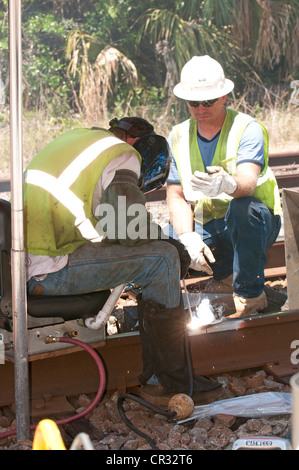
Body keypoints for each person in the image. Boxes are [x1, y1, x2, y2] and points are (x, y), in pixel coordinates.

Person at [23, 116, 221, 400]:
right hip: (51, 269)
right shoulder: (123, 153)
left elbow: (104, 222)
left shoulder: (77, 139)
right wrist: (169, 242)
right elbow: (127, 227)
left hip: (32, 262)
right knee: (163, 258)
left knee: (156, 253)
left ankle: (164, 375)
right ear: (139, 146)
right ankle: (170, 384)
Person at [166, 55, 281, 318]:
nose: (200, 108)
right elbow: (175, 195)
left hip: (254, 222)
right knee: (166, 242)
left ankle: (250, 296)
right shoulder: (179, 135)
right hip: (211, 222)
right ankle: (225, 274)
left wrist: (228, 184)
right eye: (194, 103)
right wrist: (187, 236)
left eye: (208, 102)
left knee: (244, 209)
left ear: (224, 97)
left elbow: (248, 185)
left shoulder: (246, 129)